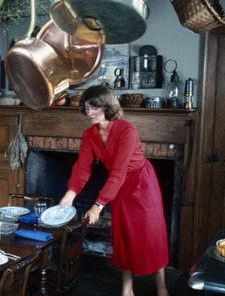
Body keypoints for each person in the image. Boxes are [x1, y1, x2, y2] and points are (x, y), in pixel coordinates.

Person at [58, 85, 169, 296]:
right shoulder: (89, 135)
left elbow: (119, 170)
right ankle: (127, 290)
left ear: (107, 107)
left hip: (141, 183)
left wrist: (97, 206)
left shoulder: (127, 130)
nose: (89, 113)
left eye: (95, 108)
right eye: (87, 108)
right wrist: (70, 193)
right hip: (119, 186)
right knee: (125, 235)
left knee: (150, 235)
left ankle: (162, 288)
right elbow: (82, 168)